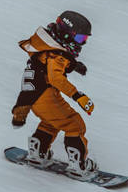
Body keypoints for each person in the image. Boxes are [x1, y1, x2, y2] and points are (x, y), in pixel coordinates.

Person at [11, 11, 97, 180]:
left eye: (85, 40)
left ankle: (38, 152)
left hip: (34, 98)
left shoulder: (47, 48)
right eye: (80, 39)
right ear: (66, 35)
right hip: (45, 96)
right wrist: (77, 95)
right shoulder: (57, 54)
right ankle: (78, 166)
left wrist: (73, 65)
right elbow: (55, 77)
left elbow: (48, 64)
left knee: (52, 122)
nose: (82, 44)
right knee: (74, 124)